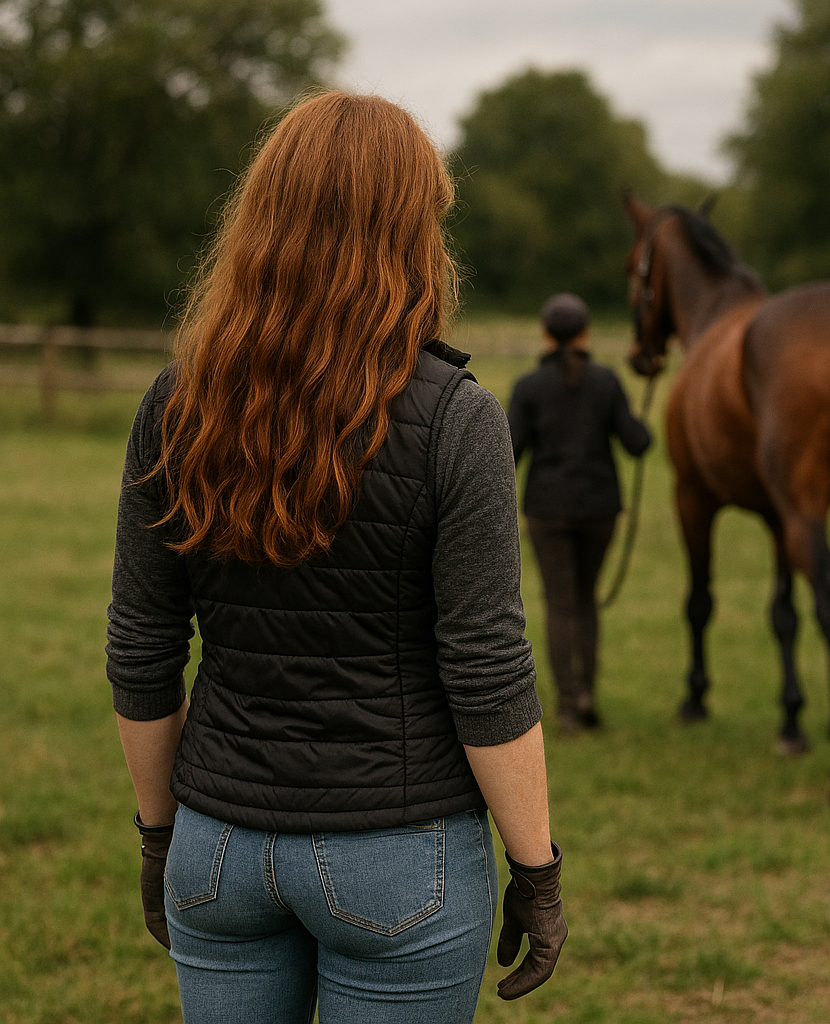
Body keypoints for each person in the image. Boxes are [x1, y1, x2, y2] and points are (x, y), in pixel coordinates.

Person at [106, 91, 567, 1024]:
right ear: (411, 235)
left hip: (217, 849)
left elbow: (141, 653)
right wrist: (537, 868)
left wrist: (161, 838)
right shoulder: (456, 419)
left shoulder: (176, 403)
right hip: (400, 860)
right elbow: (485, 671)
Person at [507, 293, 651, 734]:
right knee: (587, 601)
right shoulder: (606, 382)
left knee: (560, 603)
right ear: (586, 333)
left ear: (546, 335)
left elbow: (509, 452)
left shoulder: (530, 387)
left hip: (548, 508)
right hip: (598, 507)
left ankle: (569, 702)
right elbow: (637, 444)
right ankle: (587, 694)